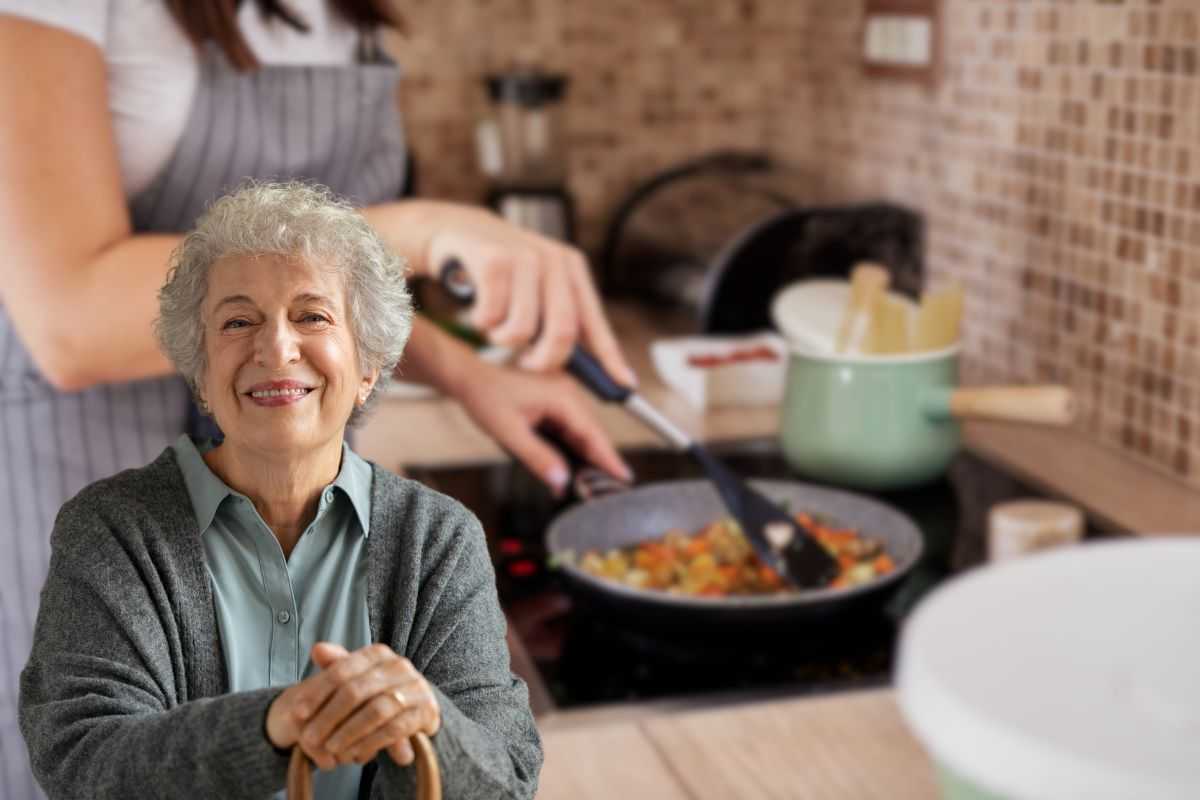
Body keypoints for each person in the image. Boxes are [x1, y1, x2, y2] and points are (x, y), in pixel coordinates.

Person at [0, 3, 632, 796]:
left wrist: (463, 370)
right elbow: (68, 317)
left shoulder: (427, 542)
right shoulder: (108, 536)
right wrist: (423, 230)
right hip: (79, 456)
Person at [20, 181, 542, 800]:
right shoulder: (111, 531)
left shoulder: (438, 539)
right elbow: (83, 765)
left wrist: (426, 719)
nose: (276, 347)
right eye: (238, 321)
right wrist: (271, 728)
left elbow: (505, 781)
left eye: (312, 315)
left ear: (367, 368)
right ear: (202, 377)